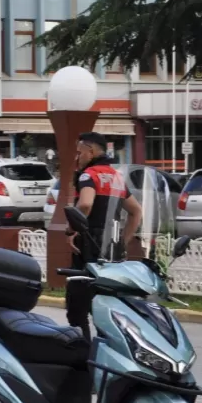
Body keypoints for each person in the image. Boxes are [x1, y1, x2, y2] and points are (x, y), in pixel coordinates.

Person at [65, 132, 143, 341]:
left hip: (87, 246)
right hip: (111, 250)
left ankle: (83, 352)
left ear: (90, 152)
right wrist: (123, 242)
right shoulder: (116, 177)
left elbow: (85, 204)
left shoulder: (88, 175)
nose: (77, 158)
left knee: (78, 307)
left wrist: (72, 230)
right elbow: (136, 211)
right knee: (106, 306)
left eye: (79, 153)